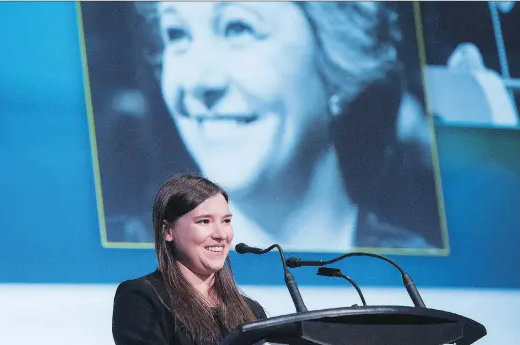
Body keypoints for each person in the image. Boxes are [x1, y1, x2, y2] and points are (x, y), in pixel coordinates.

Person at [133, 1, 441, 251]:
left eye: (238, 27)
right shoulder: (137, 257)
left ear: (339, 58)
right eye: (176, 34)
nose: (196, 81)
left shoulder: (414, 270)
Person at [112, 174, 267, 345]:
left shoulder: (251, 311)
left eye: (226, 221)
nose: (221, 234)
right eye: (204, 221)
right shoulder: (141, 298)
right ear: (168, 231)